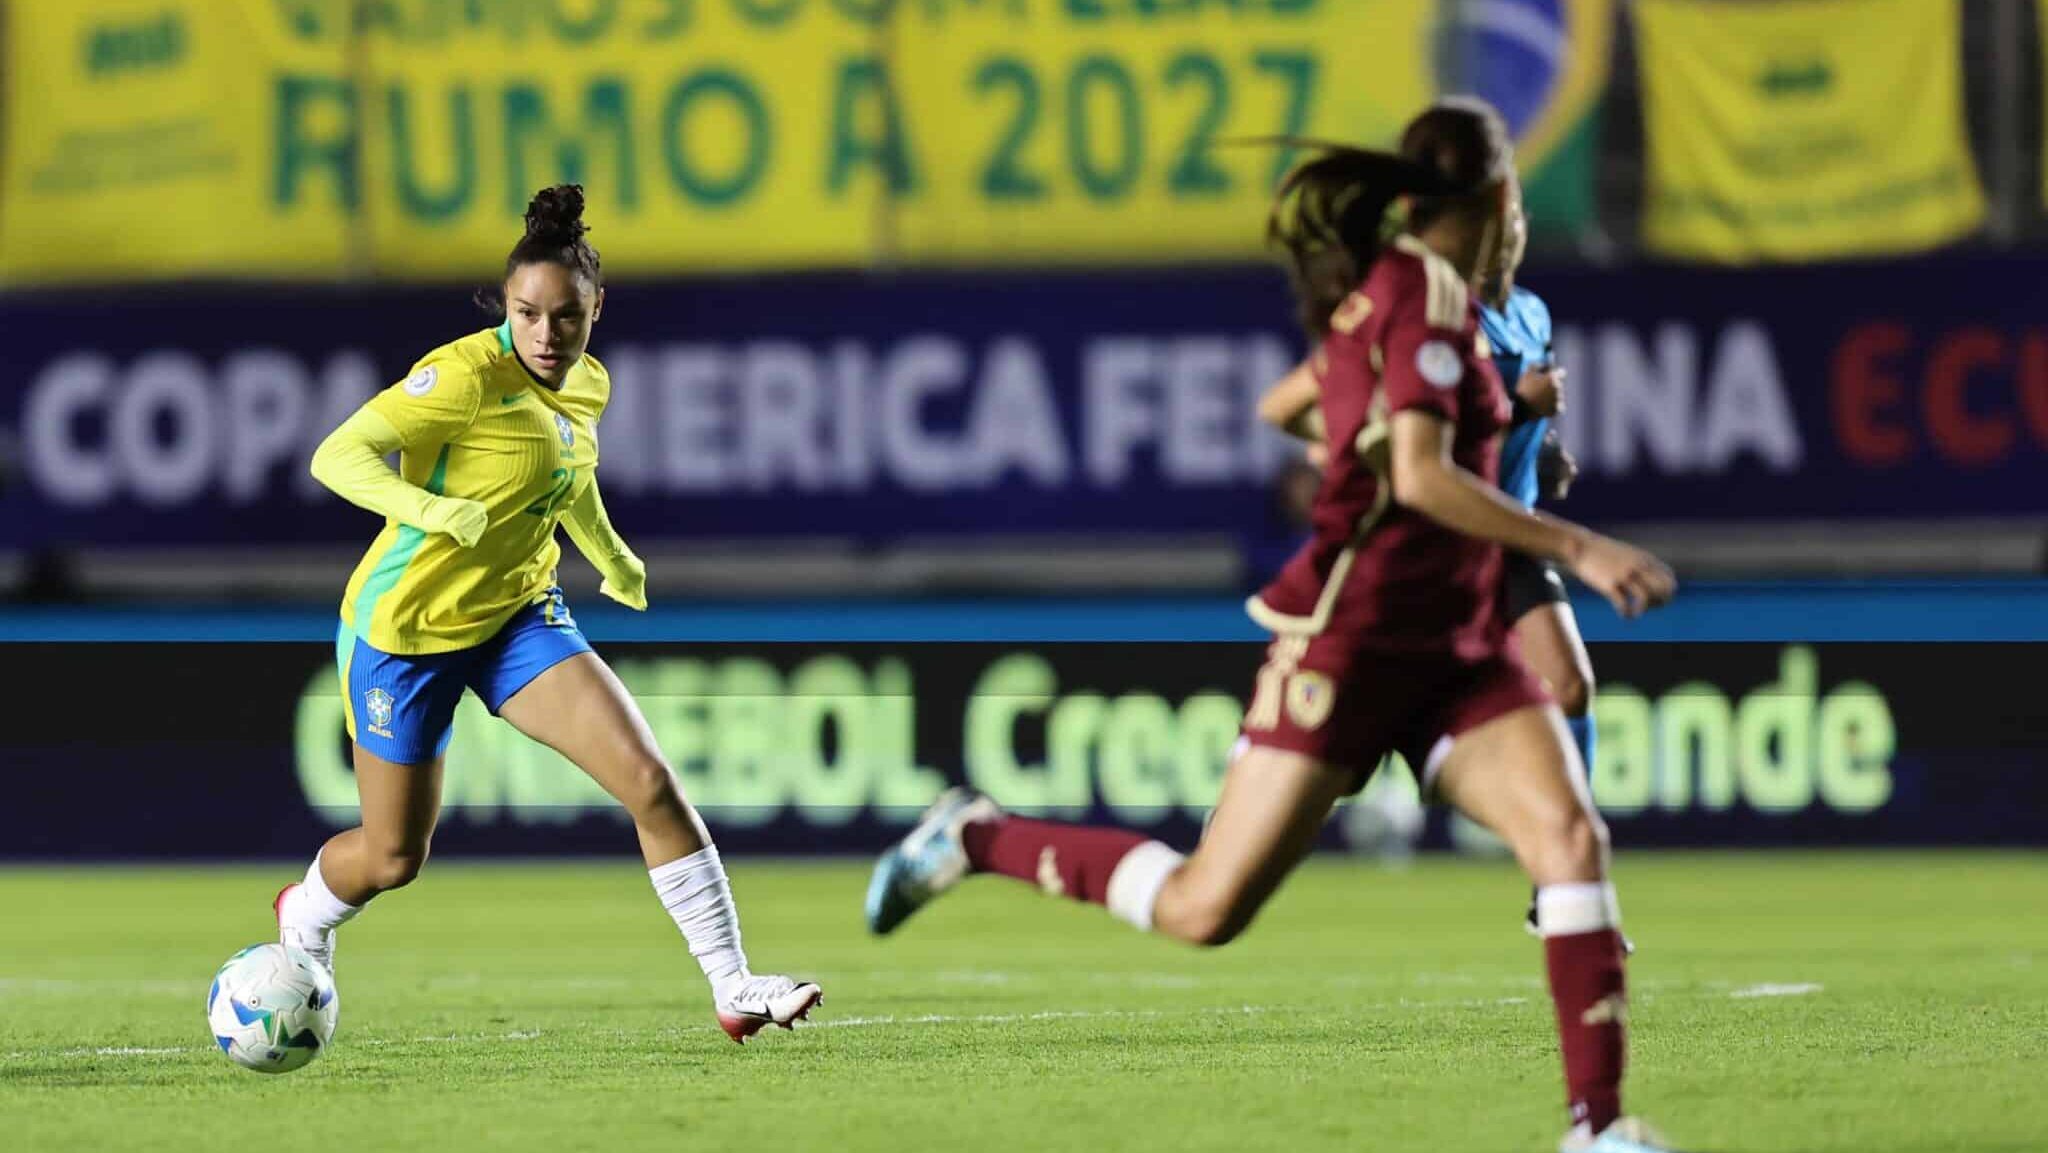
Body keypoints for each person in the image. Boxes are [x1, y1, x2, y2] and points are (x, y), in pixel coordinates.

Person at [864, 100, 1680, 1152]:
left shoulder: (1424, 296)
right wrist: (1579, 545)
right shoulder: (1422, 296)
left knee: (1568, 839)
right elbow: (1422, 475)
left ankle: (1598, 1129)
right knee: (1202, 907)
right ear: (1493, 196)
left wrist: (1373, 435)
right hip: (1354, 644)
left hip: (1456, 641)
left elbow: (1307, 409)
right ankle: (975, 837)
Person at [279, 184, 821, 1044]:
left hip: (518, 615)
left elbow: (570, 475)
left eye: (565, 316)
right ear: (506, 306)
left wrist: (611, 554)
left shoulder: (587, 384)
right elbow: (336, 455)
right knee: (393, 857)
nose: (544, 334)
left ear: (596, 308)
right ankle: (304, 914)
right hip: (407, 630)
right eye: (526, 313)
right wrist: (432, 510)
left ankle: (733, 983)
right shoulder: (461, 377)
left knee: (649, 780)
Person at [1259, 192, 1609, 940]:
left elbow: (1492, 422)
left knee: (1571, 684)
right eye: (1493, 222)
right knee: (1347, 747)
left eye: (1516, 219)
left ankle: (1559, 884)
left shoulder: (1532, 313)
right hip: (1440, 539)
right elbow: (1418, 420)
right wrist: (1520, 407)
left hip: (1509, 535)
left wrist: (1542, 451)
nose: (1506, 234)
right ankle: (1253, 810)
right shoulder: (1434, 315)